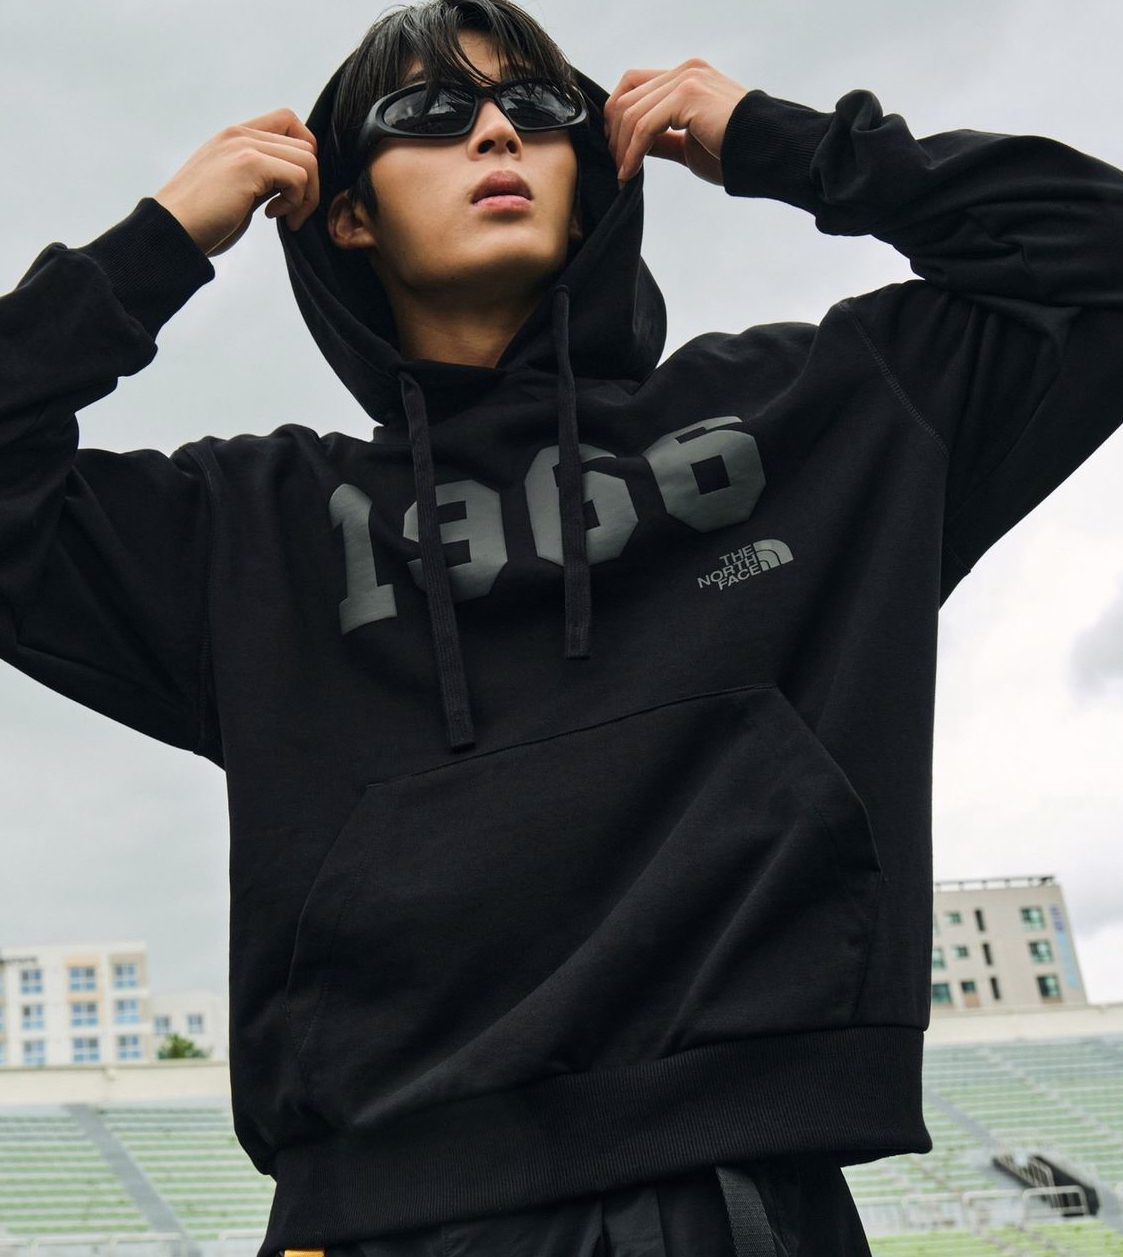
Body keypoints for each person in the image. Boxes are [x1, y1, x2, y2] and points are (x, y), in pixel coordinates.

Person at [2, 0, 1122, 1253]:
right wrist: (159, 242)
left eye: (538, 111)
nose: (495, 133)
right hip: (380, 1215)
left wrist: (787, 142)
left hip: (728, 1193)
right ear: (346, 211)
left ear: (587, 189)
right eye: (431, 112)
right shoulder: (249, 530)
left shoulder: (820, 414)